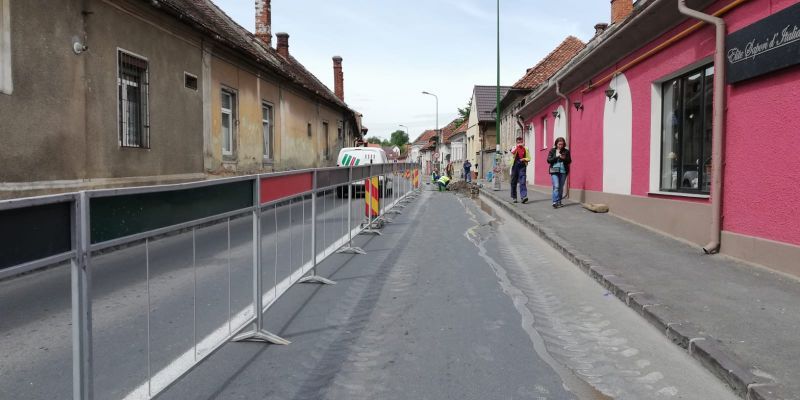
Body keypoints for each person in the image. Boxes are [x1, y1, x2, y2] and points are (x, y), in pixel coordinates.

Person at [547, 137, 572, 208]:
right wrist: (557, 157)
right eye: (559, 144)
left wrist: (564, 159)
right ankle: (555, 202)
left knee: (560, 187)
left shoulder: (566, 151)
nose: (560, 146)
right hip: (554, 170)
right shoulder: (552, 150)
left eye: (562, 144)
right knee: (556, 186)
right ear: (556, 144)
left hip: (563, 171)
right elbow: (549, 160)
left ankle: (559, 201)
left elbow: (569, 161)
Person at [510, 136, 531, 203]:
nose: (520, 143)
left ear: (523, 142)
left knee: (522, 181)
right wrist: (517, 147)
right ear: (516, 142)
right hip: (514, 167)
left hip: (522, 167)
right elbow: (512, 152)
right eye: (518, 142)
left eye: (521, 142)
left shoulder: (526, 149)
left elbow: (529, 158)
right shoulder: (514, 147)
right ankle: (514, 197)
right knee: (513, 182)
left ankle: (524, 197)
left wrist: (524, 159)